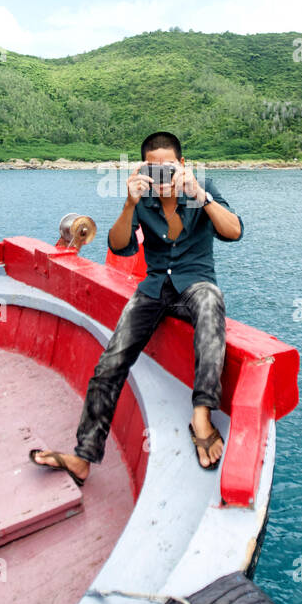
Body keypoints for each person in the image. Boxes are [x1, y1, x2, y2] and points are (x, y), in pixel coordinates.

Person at [29, 131, 244, 486]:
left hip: (195, 284)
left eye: (169, 167)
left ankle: (202, 414)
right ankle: (83, 457)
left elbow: (234, 232)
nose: (162, 174)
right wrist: (129, 204)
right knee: (111, 361)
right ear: (143, 168)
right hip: (154, 287)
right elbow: (120, 246)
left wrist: (200, 196)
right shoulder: (141, 198)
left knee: (211, 302)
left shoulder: (201, 188)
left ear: (183, 165)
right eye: (153, 168)